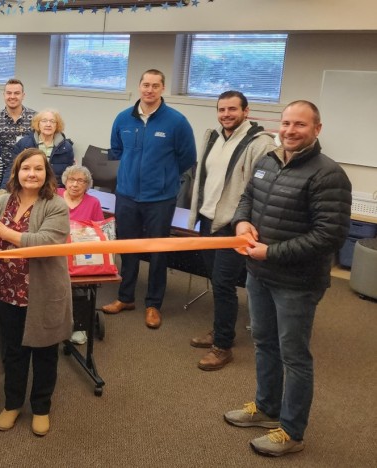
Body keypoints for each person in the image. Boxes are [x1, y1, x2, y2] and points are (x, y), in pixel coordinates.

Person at [225, 100, 351, 457]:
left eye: (299, 124)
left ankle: (293, 431)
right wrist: (242, 222)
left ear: (317, 129)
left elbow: (330, 236)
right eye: (286, 123)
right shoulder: (269, 160)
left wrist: (271, 252)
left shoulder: (328, 174)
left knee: (294, 356)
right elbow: (247, 198)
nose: (290, 130)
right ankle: (266, 408)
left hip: (296, 283)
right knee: (264, 343)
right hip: (259, 274)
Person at [0, 148, 72, 438]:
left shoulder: (56, 205)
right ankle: (13, 404)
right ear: (16, 172)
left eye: (38, 169)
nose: (32, 174)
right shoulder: (2, 202)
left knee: (45, 353)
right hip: (8, 292)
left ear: (47, 174)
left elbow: (45, 242)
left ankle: (41, 408)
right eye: (26, 168)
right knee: (14, 352)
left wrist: (5, 234)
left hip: (43, 293)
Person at [186, 91, 277, 371]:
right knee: (216, 279)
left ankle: (223, 346)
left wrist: (245, 222)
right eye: (221, 109)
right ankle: (221, 328)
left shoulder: (260, 143)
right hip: (208, 219)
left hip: (233, 225)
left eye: (232, 109)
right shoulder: (213, 137)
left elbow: (261, 190)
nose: (226, 114)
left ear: (246, 111)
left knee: (224, 283)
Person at [101, 69, 196, 329]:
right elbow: (116, 151)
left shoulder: (176, 122)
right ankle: (125, 297)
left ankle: (153, 304)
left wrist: (164, 176)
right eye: (145, 85)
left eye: (155, 85)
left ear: (162, 89)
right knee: (127, 247)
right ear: (139, 86)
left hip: (160, 199)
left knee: (157, 253)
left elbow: (187, 158)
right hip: (127, 195)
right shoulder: (123, 118)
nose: (149, 90)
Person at [56, 164, 103, 345]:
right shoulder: (55, 195)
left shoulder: (93, 202)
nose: (75, 184)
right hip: (56, 250)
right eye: (71, 179)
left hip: (81, 254)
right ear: (65, 181)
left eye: (80, 181)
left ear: (87, 184)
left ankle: (80, 326)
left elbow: (99, 231)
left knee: (81, 288)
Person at [0, 78, 36, 187]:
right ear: (3, 95)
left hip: (28, 172)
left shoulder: (35, 118)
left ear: (23, 95)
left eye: (17, 93)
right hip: (2, 174)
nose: (12, 96)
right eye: (9, 93)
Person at [11, 109, 75, 187]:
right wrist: (6, 190)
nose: (48, 124)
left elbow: (68, 176)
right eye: (44, 121)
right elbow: (12, 169)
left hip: (55, 189)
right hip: (29, 187)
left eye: (52, 121)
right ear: (38, 124)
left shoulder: (66, 147)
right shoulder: (23, 143)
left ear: (57, 125)